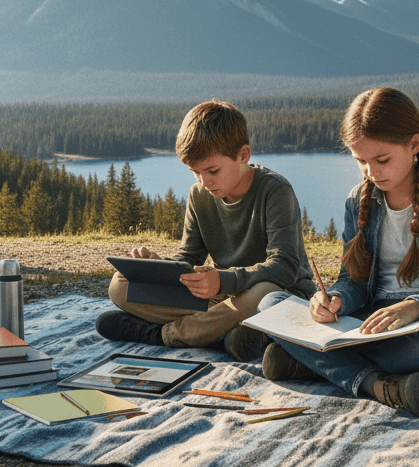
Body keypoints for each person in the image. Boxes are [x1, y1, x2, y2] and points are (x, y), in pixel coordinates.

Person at [256, 87, 419, 418]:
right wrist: (336, 300)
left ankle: (316, 361)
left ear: (415, 144)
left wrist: (418, 306)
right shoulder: (358, 201)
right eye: (361, 161)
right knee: (271, 304)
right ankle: (378, 383)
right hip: (367, 324)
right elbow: (351, 282)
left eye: (381, 160)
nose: (371, 172)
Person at [96, 100, 315, 359]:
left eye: (212, 170)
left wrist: (223, 280)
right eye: (195, 172)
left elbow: (284, 267)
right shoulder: (199, 194)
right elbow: (189, 258)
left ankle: (159, 334)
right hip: (223, 300)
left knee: (263, 293)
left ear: (243, 155)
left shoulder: (275, 190)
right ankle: (221, 333)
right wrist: (160, 268)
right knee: (120, 285)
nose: (204, 182)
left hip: (278, 297)